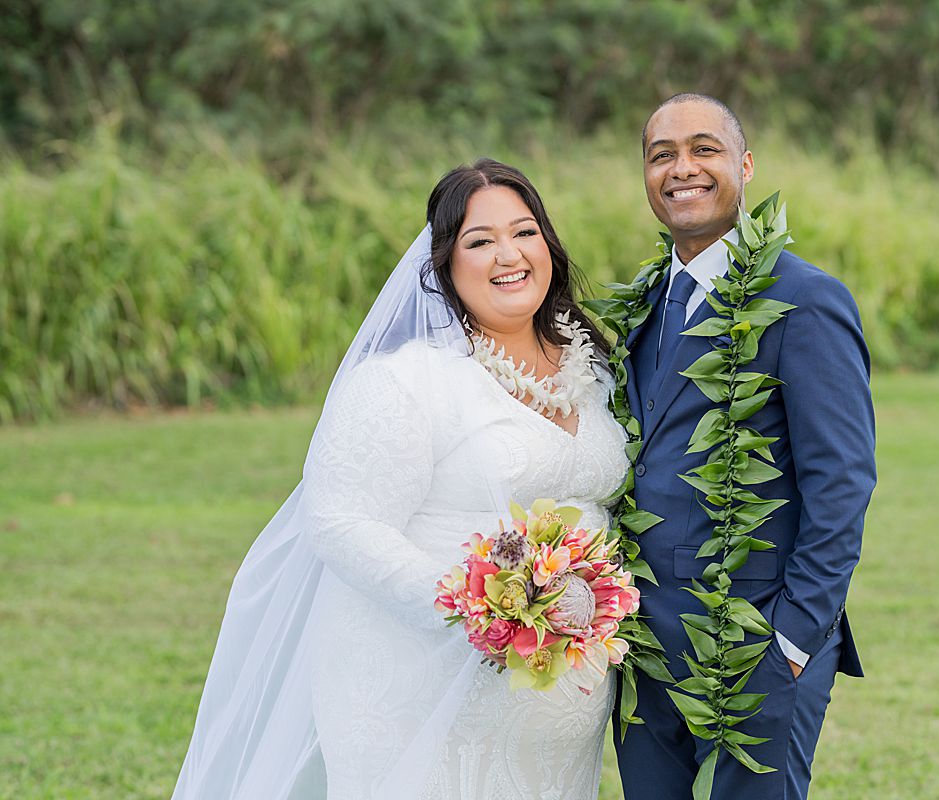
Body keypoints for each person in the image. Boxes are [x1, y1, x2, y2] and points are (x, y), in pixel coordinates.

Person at [172, 159, 629, 800]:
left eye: (524, 232)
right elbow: (341, 523)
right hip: (425, 687)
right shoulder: (407, 382)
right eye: (479, 240)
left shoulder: (596, 371)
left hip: (561, 702)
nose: (509, 254)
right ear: (444, 265)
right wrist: (479, 609)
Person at [612, 93, 877, 799]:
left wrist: (792, 639)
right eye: (661, 154)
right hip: (642, 646)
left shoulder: (806, 300)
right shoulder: (642, 305)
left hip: (758, 639)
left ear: (746, 165)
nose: (682, 169)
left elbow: (842, 480)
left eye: (705, 149)